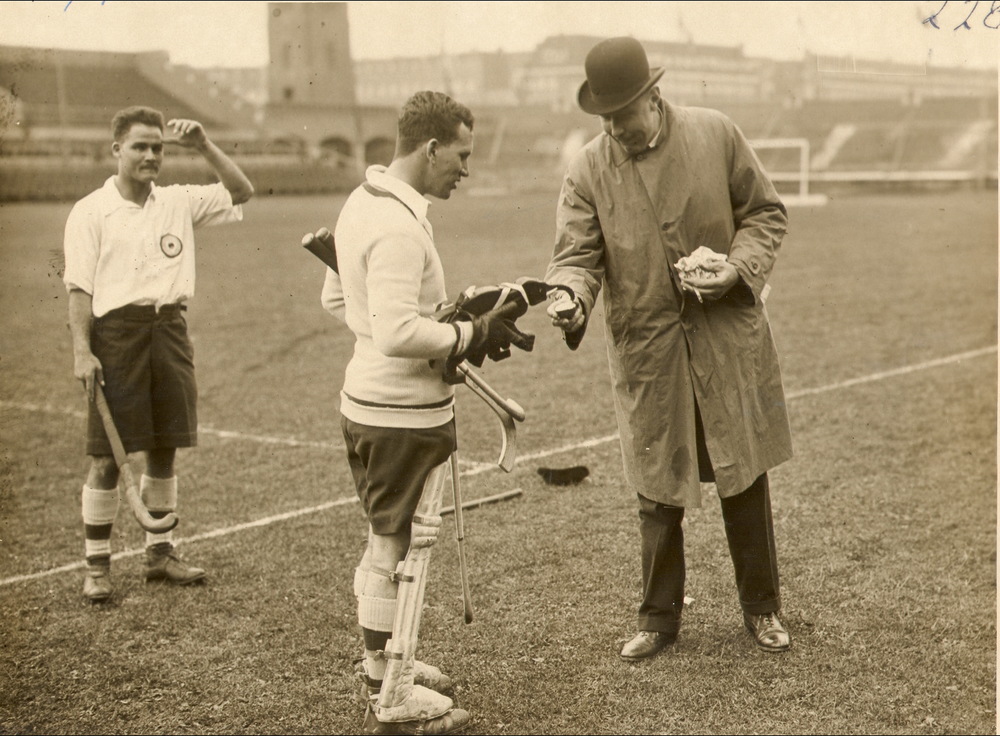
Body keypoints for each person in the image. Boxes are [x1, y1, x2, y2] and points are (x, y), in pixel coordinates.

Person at [544, 37, 794, 659]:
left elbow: (765, 213)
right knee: (656, 487)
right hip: (648, 348)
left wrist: (736, 268)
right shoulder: (587, 169)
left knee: (743, 473)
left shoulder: (716, 133)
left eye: (622, 114)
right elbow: (575, 257)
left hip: (725, 339)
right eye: (604, 118)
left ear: (653, 98)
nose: (614, 129)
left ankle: (762, 608)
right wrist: (570, 295)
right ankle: (658, 618)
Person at [320, 90, 530, 735]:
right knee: (399, 548)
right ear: (432, 147)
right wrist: (466, 333)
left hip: (371, 401)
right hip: (400, 414)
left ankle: (383, 666)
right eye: (461, 155)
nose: (466, 168)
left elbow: (338, 300)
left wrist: (440, 326)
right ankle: (392, 700)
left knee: (386, 540)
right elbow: (393, 332)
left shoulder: (365, 201)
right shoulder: (396, 225)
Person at [63, 106, 254, 603]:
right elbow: (79, 288)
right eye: (140, 146)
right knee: (108, 457)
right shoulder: (91, 211)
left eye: (157, 147)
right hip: (116, 337)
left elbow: (241, 191)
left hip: (169, 330)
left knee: (165, 447)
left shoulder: (176, 201)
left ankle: (159, 554)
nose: (150, 155)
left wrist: (204, 145)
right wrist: (82, 351)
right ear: (116, 150)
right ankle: (97, 565)